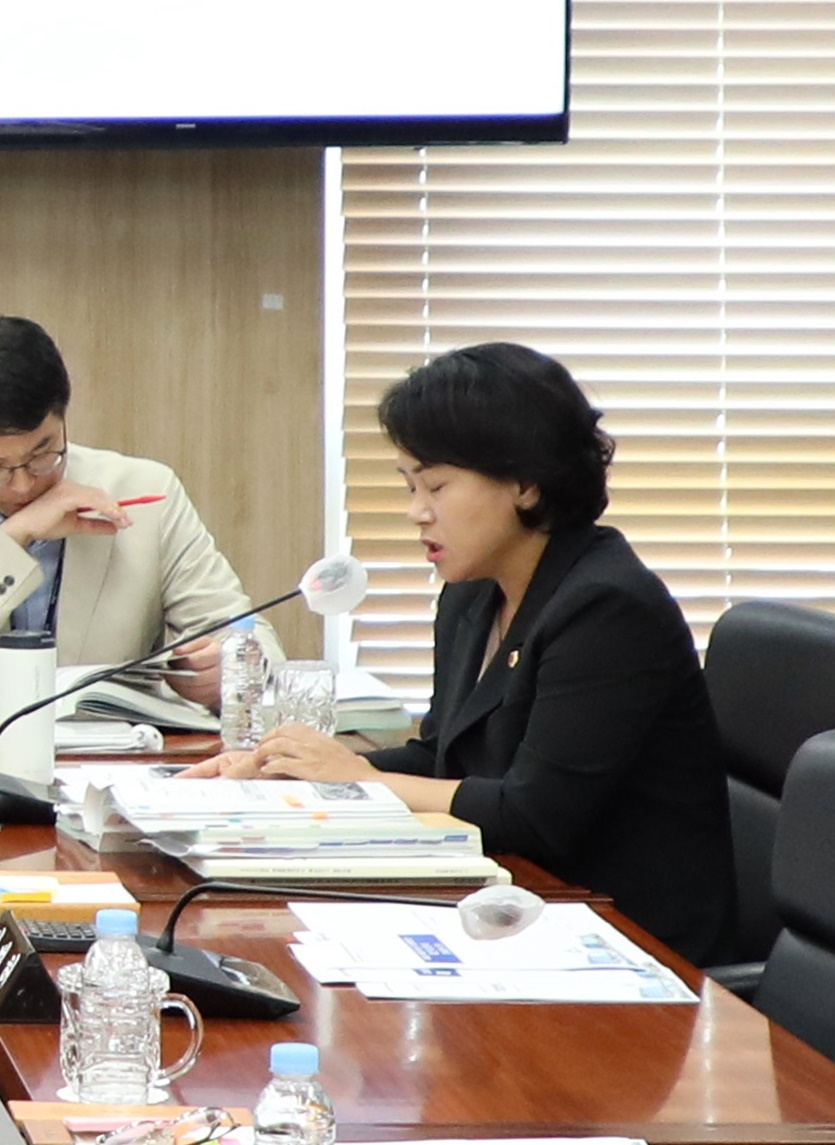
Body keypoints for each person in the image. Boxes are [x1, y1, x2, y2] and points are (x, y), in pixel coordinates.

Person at [206, 341, 734, 968]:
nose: (415, 512)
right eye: (409, 486)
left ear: (525, 483)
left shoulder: (607, 608)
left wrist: (360, 780)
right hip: (519, 908)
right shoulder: (474, 594)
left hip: (629, 941)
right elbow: (443, 756)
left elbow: (534, 815)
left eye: (436, 486)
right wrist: (294, 769)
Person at [0, 313, 255, 700]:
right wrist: (12, 539)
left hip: (113, 740)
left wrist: (226, 668)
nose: (23, 485)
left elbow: (248, 638)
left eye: (42, 453)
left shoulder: (148, 493)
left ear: (63, 416)